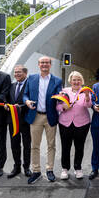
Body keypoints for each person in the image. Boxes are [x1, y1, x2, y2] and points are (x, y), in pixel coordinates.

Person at [23, 56, 63, 184]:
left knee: (51, 145)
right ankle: (36, 171)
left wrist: (62, 97)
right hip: (35, 116)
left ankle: (49, 169)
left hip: (50, 116)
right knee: (35, 145)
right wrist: (27, 101)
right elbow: (25, 94)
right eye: (42, 63)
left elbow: (60, 96)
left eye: (46, 63)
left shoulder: (57, 81)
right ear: (38, 64)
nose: (44, 65)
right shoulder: (32, 78)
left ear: (50, 65)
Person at [56, 71, 92, 180]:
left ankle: (78, 168)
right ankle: (65, 169)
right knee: (65, 146)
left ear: (82, 81)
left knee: (79, 147)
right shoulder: (64, 91)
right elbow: (57, 106)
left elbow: (88, 105)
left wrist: (86, 96)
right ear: (70, 81)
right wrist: (63, 108)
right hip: (65, 123)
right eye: (74, 80)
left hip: (82, 123)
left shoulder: (86, 91)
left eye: (78, 80)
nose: (76, 82)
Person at [6, 65, 31, 179]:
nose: (16, 74)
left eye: (19, 72)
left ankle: (27, 167)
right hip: (13, 120)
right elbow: (6, 99)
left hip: (26, 120)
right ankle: (17, 167)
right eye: (15, 72)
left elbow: (32, 100)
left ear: (25, 73)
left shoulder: (30, 85)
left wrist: (20, 107)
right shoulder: (12, 85)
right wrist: (6, 105)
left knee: (27, 145)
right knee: (14, 144)